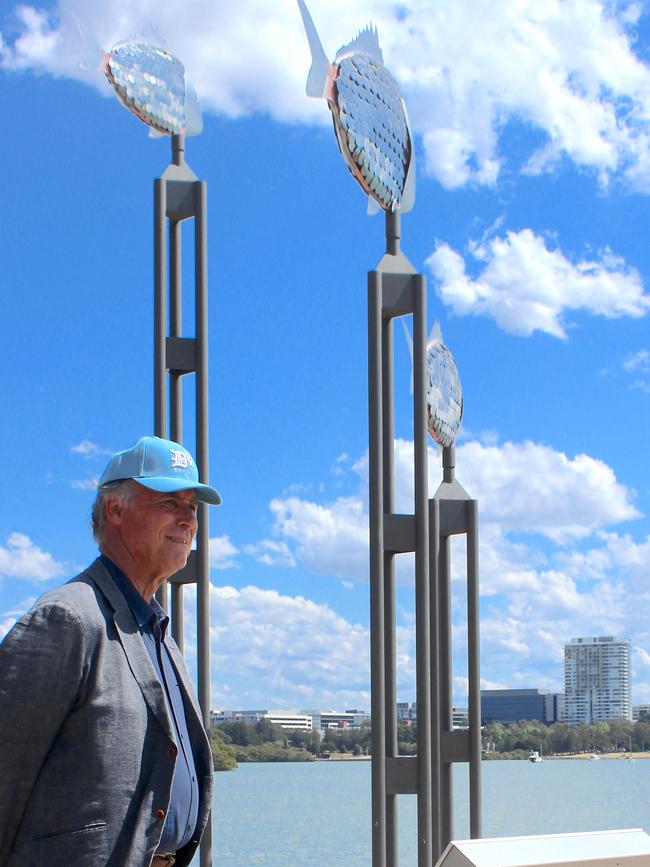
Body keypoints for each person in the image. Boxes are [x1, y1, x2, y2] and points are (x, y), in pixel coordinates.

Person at [0, 435, 221, 867]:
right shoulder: (67, 619)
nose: (187, 519)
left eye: (191, 507)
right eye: (169, 503)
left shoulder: (158, 634)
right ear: (115, 509)